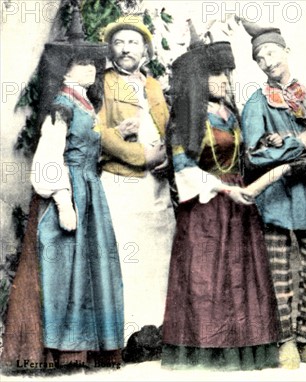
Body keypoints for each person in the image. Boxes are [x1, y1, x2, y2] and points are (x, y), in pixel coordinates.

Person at [1, 12, 124, 372]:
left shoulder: (85, 104)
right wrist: (63, 202)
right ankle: (62, 352)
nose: (92, 68)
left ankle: (85, 349)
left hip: (90, 194)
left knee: (89, 269)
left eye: (92, 62)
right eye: (83, 62)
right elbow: (49, 159)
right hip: (66, 195)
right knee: (63, 270)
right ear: (66, 69)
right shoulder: (61, 108)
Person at [159, 26, 280, 371]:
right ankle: (208, 349)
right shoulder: (186, 118)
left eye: (227, 72)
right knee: (205, 276)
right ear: (199, 78)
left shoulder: (233, 114)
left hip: (239, 210)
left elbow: (242, 159)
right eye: (216, 73)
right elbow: (182, 168)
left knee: (242, 276)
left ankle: (244, 347)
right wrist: (227, 189)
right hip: (205, 210)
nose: (225, 79)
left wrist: (270, 144)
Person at [240, 20, 306, 369]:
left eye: (271, 52)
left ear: (286, 51)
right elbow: (252, 156)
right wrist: (296, 145)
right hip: (277, 197)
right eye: (260, 57)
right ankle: (285, 342)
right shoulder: (256, 103)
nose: (267, 61)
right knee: (279, 273)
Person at [97, 16, 176, 341]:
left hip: (155, 187)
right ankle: (127, 334)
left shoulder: (153, 85)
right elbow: (96, 131)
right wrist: (142, 156)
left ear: (145, 50)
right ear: (111, 49)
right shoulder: (102, 83)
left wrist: (169, 156)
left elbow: (170, 128)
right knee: (126, 255)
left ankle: (156, 331)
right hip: (121, 183)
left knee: (158, 256)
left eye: (133, 42)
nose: (126, 48)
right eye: (119, 42)